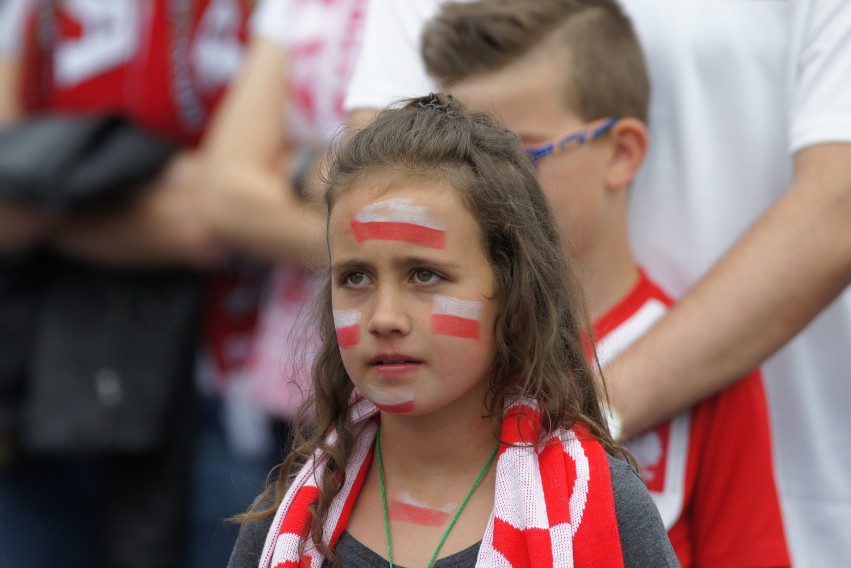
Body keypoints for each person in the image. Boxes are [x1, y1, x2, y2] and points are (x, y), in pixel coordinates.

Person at [343, 1, 851, 564]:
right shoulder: (438, 353)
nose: (485, 191)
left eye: (520, 154)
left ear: (623, 153)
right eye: (461, 166)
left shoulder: (706, 366)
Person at [227, 93, 679, 567]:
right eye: (355, 277)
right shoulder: (287, 524)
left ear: (513, 297)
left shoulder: (602, 507)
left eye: (424, 275)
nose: (384, 318)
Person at [0, 1, 251, 566]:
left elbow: (209, 222)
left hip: (214, 396)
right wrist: (148, 193)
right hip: (43, 383)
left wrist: (47, 196)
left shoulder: (270, 13)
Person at [190, 0, 367, 564]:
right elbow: (222, 196)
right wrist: (403, 246)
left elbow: (470, 183)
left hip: (424, 405)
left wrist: (293, 167)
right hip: (286, 404)